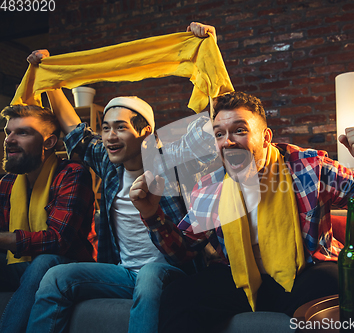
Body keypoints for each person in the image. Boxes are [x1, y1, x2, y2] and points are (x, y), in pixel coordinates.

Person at [130, 91, 354, 332]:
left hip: (305, 271)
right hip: (240, 277)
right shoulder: (210, 186)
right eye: (219, 134)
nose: (227, 142)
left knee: (337, 283)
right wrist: (152, 215)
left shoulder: (307, 167)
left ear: (266, 137)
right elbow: (183, 251)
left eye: (239, 130)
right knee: (179, 295)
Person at [25, 23, 219, 333]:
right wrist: (48, 78)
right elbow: (73, 129)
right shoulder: (108, 162)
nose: (110, 136)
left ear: (146, 133)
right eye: (105, 127)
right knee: (56, 277)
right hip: (124, 273)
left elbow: (216, 126)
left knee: (150, 275)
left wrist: (208, 50)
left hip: (172, 273)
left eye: (121, 128)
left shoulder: (174, 164)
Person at [0, 104, 96, 333]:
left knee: (45, 261)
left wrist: (4, 239)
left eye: (22, 132)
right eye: (8, 132)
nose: (9, 140)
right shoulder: (7, 183)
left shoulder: (71, 174)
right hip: (19, 265)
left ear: (49, 142)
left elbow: (58, 241)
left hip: (65, 266)